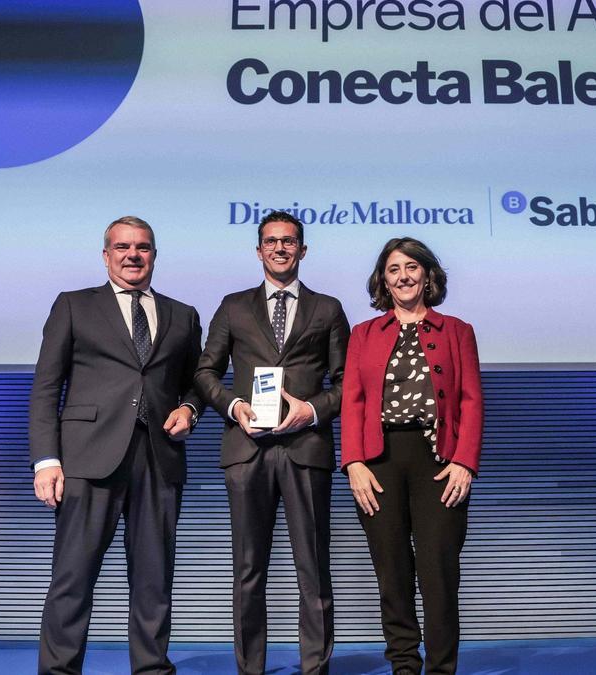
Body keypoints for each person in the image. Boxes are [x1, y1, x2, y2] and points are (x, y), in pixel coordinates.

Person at [29, 216, 204, 675]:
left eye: (143, 247)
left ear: (154, 255)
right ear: (106, 255)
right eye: (122, 247)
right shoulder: (73, 305)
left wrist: (189, 410)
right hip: (87, 458)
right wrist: (46, 460)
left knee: (154, 578)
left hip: (159, 458)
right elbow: (47, 387)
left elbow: (195, 383)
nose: (133, 255)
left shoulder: (183, 314)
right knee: (73, 576)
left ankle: (150, 668)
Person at [194, 211, 350, 675]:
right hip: (247, 451)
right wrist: (234, 405)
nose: (280, 248)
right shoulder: (233, 305)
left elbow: (346, 382)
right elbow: (204, 372)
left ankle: (315, 668)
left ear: (303, 250)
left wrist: (313, 409)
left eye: (289, 241)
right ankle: (251, 669)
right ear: (258, 250)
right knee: (248, 570)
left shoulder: (328, 308)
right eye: (271, 241)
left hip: (306, 449)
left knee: (313, 569)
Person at [340, 237, 482, 675]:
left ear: (427, 275)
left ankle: (441, 668)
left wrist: (464, 462)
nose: (403, 276)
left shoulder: (457, 330)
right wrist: (354, 463)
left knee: (439, 572)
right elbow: (352, 400)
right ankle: (404, 664)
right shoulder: (364, 334)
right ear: (384, 279)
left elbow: (471, 401)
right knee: (392, 571)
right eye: (393, 269)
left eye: (411, 267)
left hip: (439, 462)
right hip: (378, 461)